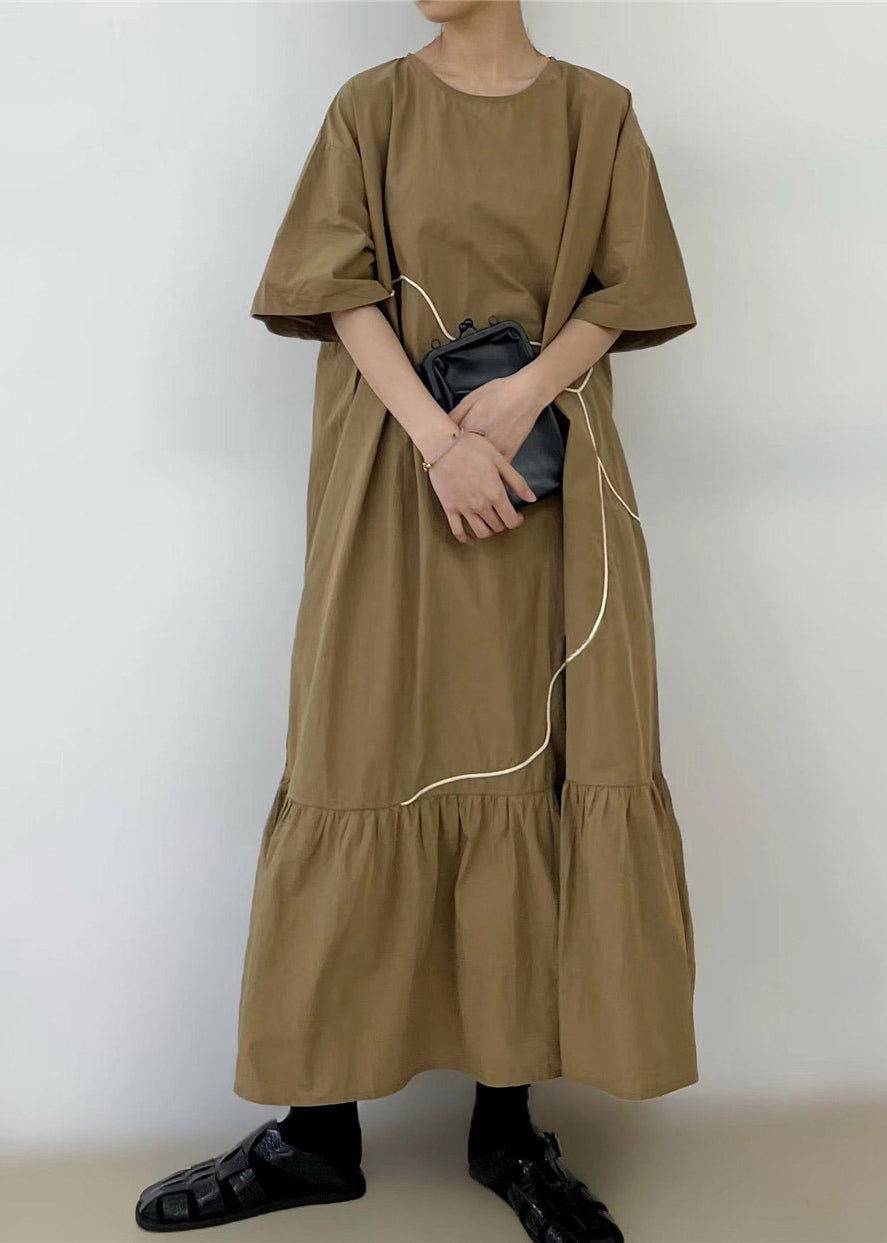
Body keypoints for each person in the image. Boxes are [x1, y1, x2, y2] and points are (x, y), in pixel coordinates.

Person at [136, 2, 698, 1239]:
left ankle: (507, 1127)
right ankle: (314, 1132)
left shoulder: (594, 113)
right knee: (359, 758)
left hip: (544, 497)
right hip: (393, 481)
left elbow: (626, 287)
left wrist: (521, 398)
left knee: (529, 764)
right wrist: (441, 441)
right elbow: (341, 294)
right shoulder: (371, 107)